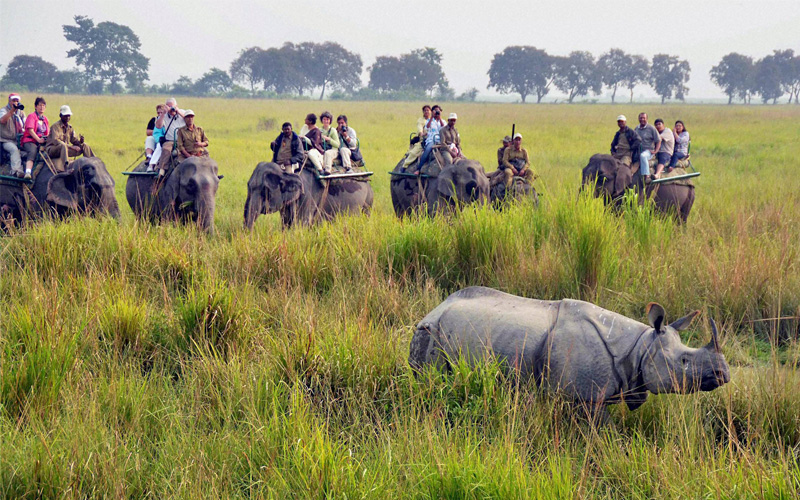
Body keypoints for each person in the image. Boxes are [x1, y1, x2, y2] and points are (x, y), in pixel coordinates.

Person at [45, 105, 95, 172]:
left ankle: (93, 162)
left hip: (65, 150)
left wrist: (80, 142)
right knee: (63, 145)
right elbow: (56, 141)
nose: (67, 117)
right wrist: (72, 147)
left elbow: (74, 140)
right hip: (53, 149)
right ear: (61, 115)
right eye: (65, 116)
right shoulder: (55, 126)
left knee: (84, 145)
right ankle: (66, 166)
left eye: (69, 116)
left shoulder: (70, 128)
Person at [21, 97, 49, 180]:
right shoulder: (31, 116)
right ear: (35, 106)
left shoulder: (45, 119)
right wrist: (38, 140)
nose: (42, 107)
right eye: (40, 105)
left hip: (41, 141)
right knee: (32, 151)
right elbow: (30, 130)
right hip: (30, 140)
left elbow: (48, 132)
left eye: (43, 105)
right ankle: (28, 172)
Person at [155, 98, 186, 172]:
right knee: (166, 149)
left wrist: (177, 111)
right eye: (168, 106)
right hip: (170, 140)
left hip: (184, 140)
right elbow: (158, 126)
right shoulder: (164, 116)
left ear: (176, 106)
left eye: (172, 106)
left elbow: (189, 120)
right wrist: (163, 113)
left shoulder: (182, 112)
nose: (171, 109)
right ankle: (162, 169)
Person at [0, 93, 26, 177]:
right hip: (6, 140)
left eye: (17, 101)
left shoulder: (21, 113)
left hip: (19, 140)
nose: (15, 103)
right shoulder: (4, 110)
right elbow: (2, 120)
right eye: (13, 101)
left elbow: (26, 125)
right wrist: (12, 111)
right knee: (14, 150)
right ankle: (17, 171)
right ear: (9, 101)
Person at [416, 104, 446, 170]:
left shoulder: (443, 121)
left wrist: (439, 118)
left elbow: (443, 127)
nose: (437, 112)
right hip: (432, 140)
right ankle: (419, 168)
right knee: (427, 150)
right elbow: (427, 127)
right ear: (432, 112)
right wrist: (432, 117)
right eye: (435, 111)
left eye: (438, 111)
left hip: (441, 140)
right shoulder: (429, 121)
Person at [634, 112, 661, 182]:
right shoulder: (636, 129)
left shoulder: (651, 128)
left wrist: (656, 151)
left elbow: (658, 140)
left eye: (644, 118)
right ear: (638, 119)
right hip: (638, 151)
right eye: (641, 118)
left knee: (643, 156)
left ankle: (647, 175)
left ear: (647, 119)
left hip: (648, 151)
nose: (642, 119)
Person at [402, 105, 431, 169]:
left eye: (428, 110)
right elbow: (419, 129)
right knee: (413, 153)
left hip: (434, 141)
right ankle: (405, 165)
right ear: (423, 112)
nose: (426, 112)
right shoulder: (421, 121)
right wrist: (422, 133)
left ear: (430, 111)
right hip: (424, 140)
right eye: (425, 110)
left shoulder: (433, 120)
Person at [146, 105, 167, 171]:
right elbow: (149, 132)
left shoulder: (169, 120)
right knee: (150, 139)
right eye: (158, 113)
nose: (160, 114)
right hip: (158, 139)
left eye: (162, 112)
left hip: (166, 139)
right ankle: (149, 157)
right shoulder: (155, 120)